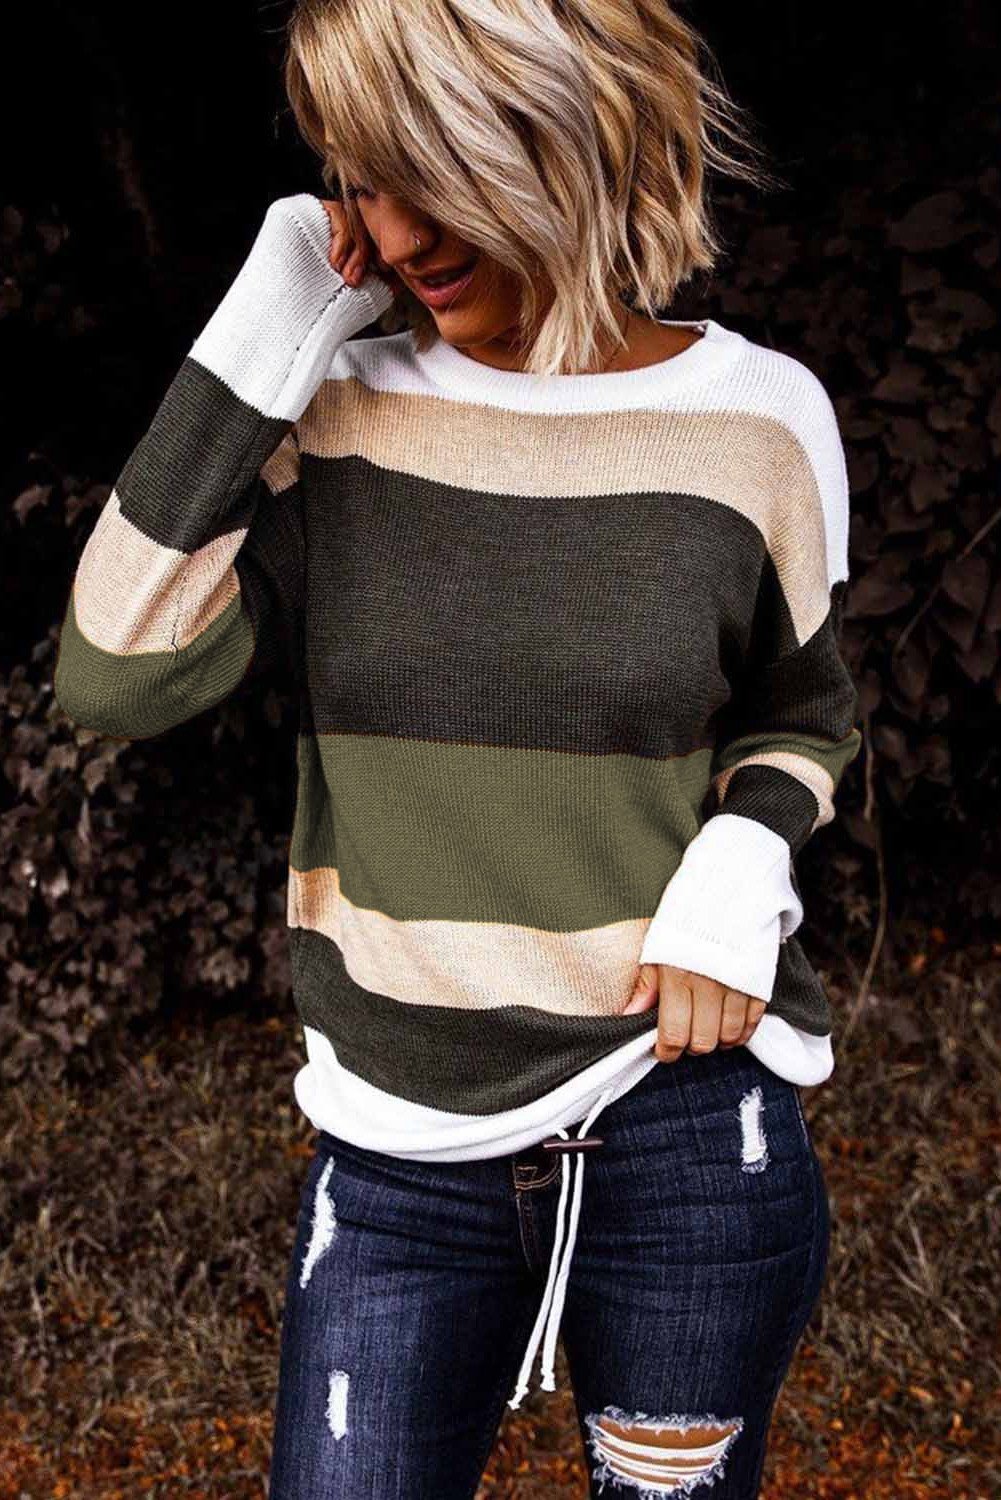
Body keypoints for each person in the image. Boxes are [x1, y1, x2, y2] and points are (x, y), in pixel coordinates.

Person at [53, 1, 862, 1494]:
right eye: (363, 181)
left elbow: (800, 710)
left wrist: (743, 855)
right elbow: (116, 669)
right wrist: (268, 321)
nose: (399, 231)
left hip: (684, 1125)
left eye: (434, 171)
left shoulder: (761, 423)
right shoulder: (333, 420)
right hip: (396, 1164)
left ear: (569, 138)